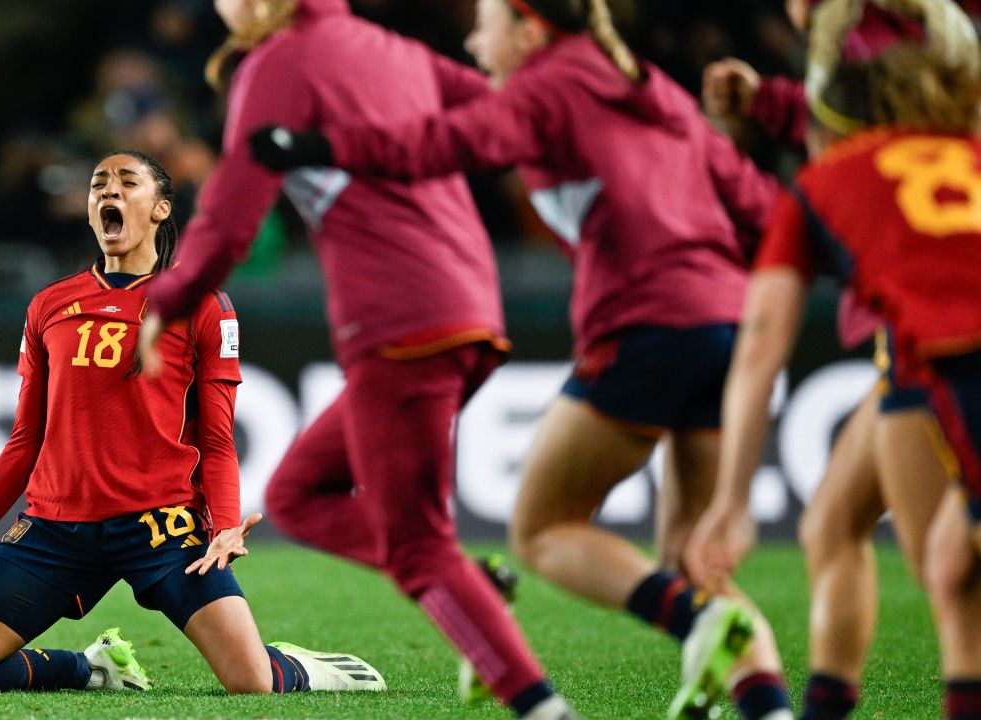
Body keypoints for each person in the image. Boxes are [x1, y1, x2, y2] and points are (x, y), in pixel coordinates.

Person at [248, 1, 798, 718]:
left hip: (646, 327)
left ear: (531, 29)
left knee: (543, 530)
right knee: (693, 563)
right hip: (728, 327)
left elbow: (442, 143)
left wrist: (321, 146)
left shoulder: (548, 87)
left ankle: (696, 626)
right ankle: (768, 706)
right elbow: (762, 204)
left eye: (488, 25)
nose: (477, 43)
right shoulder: (650, 88)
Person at [138, 1, 579, 718]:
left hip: (403, 323)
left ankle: (539, 705)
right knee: (297, 496)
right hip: (466, 306)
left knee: (417, 547)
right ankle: (469, 586)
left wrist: (168, 300)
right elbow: (505, 117)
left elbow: (230, 218)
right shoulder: (391, 48)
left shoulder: (278, 63)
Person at [0, 150, 385, 697]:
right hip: (55, 530)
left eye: (126, 182)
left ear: (161, 207)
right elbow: (26, 440)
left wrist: (225, 523)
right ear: (91, 211)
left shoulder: (204, 305)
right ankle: (89, 669)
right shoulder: (50, 305)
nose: (107, 192)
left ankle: (299, 665)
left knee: (252, 683)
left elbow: (217, 440)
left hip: (162, 528)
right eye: (97, 185)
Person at [683, 2, 981, 719]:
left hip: (938, 356)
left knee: (955, 586)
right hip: (927, 350)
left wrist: (731, 498)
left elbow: (760, 349)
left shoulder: (823, 185)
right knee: (846, 531)